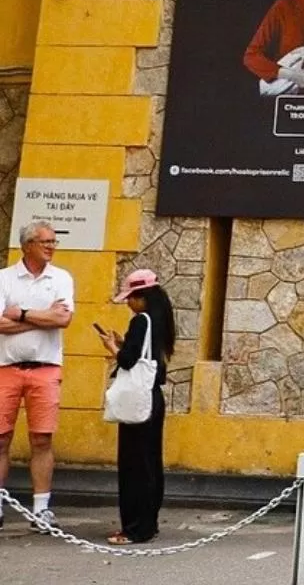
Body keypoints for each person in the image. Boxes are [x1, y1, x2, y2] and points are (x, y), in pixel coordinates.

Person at [0, 220, 75, 531]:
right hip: (6, 367)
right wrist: (43, 318)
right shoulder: (4, 278)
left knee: (42, 438)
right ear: (27, 245)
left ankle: (41, 509)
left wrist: (22, 314)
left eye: (54, 241)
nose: (51, 247)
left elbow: (63, 319)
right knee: (1, 438)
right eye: (45, 242)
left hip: (45, 367)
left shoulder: (61, 278)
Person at [94, 270, 175, 544]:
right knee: (150, 463)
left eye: (131, 297)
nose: (128, 303)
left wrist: (112, 347)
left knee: (134, 465)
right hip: (153, 397)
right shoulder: (160, 320)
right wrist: (124, 343)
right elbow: (145, 356)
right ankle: (148, 523)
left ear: (143, 297)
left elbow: (128, 361)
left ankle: (134, 528)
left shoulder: (141, 321)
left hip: (137, 400)